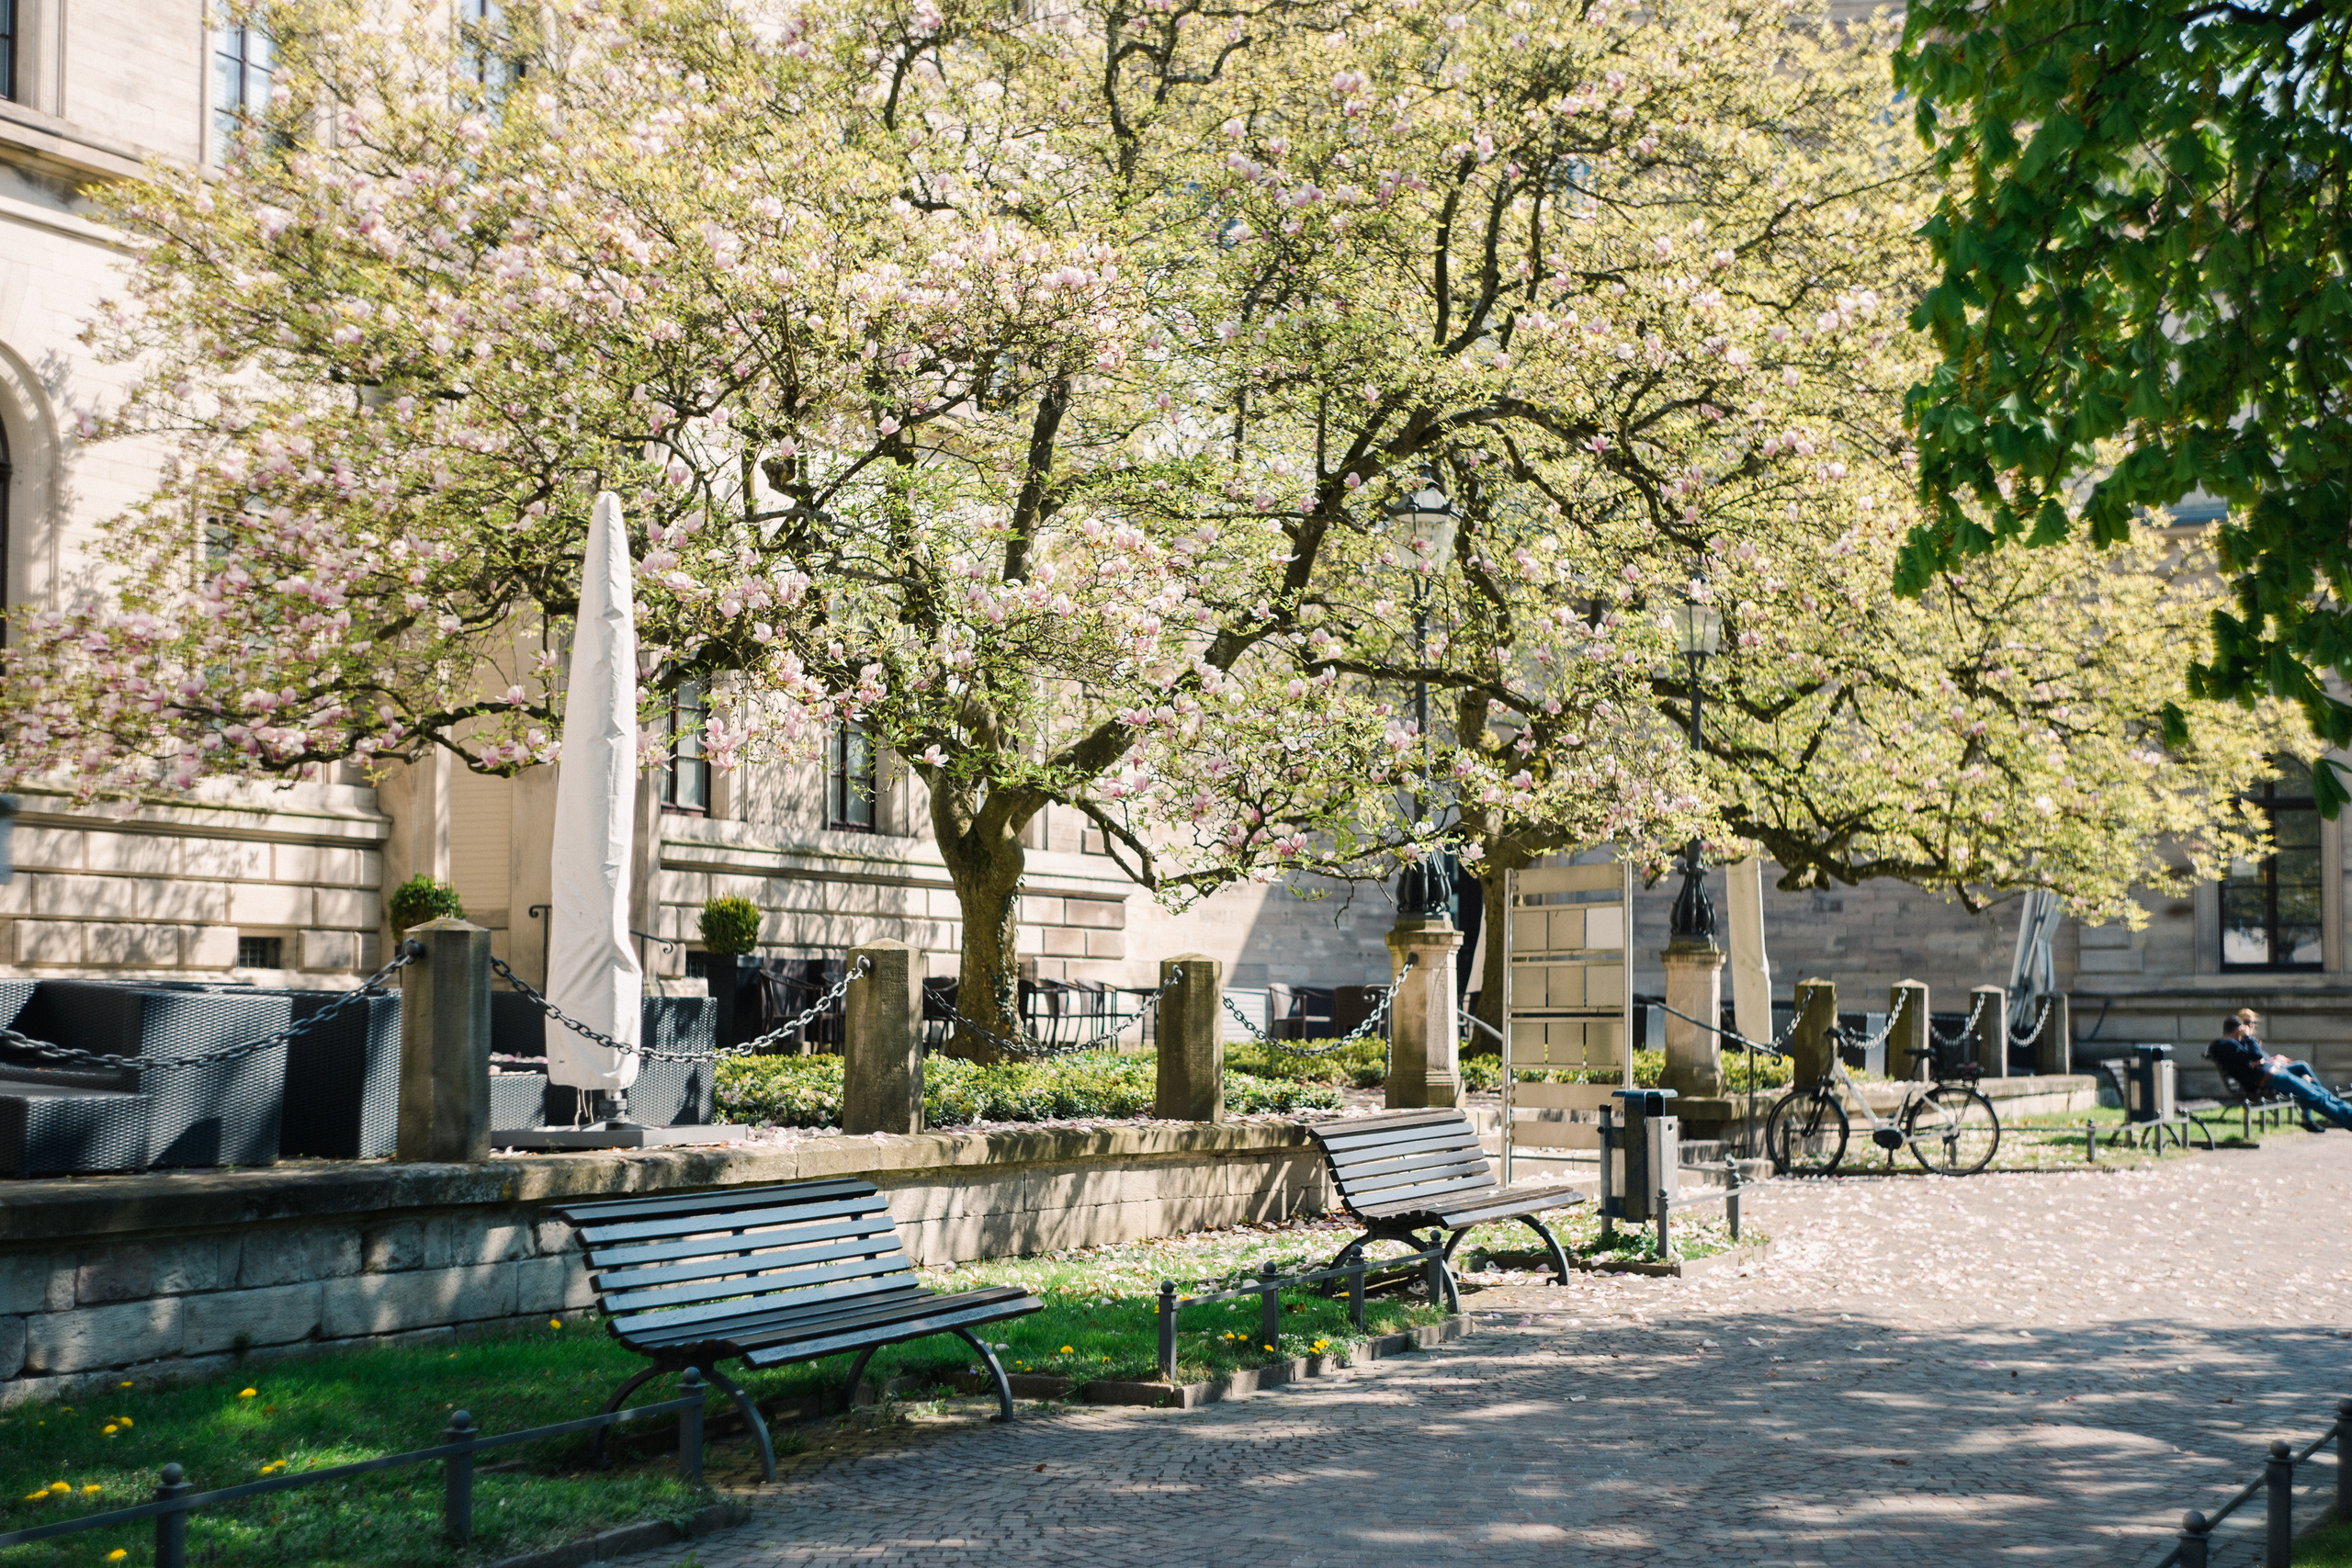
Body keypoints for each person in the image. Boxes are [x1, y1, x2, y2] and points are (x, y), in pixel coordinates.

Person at [2207, 1013, 2352, 1130]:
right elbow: (2257, 1055)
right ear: (2238, 1029)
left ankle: (2346, 1115)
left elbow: (2258, 1057)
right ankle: (2347, 1119)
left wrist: (2267, 1059)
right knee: (2316, 1097)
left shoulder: (2231, 1045)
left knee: (2321, 1094)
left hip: (2274, 1074)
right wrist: (2248, 1038)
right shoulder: (2227, 1045)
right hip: (2270, 1077)